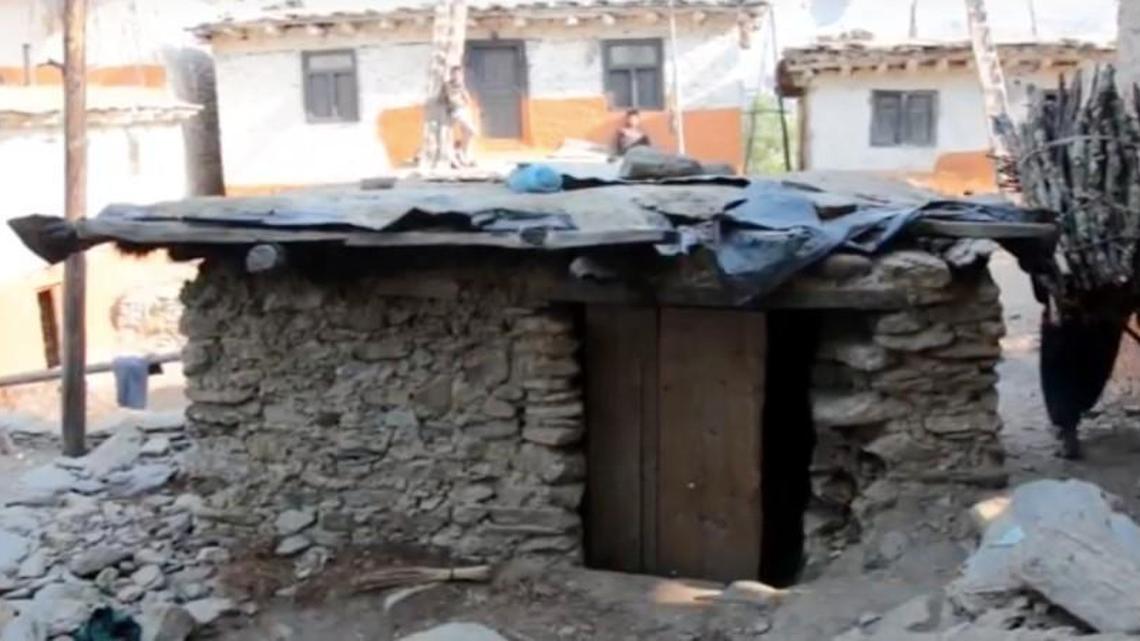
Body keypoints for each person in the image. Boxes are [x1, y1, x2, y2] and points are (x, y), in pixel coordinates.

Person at [444, 66, 478, 167]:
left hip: (463, 111)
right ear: (451, 75)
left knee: (468, 132)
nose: (457, 76)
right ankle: (460, 152)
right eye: (455, 74)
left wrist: (463, 90)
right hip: (455, 112)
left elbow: (467, 99)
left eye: (459, 74)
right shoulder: (448, 86)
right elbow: (452, 100)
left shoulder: (461, 85)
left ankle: (463, 153)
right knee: (472, 130)